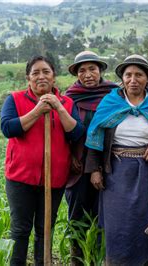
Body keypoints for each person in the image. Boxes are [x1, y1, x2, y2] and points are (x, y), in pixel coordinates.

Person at [84, 54, 148, 265]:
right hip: (115, 172)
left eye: (139, 75)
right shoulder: (111, 102)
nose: (133, 79)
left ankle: (147, 261)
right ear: (122, 78)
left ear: (147, 79)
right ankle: (117, 261)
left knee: (144, 219)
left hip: (146, 171)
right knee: (118, 222)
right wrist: (95, 170)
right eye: (128, 75)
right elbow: (95, 135)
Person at [0, 55, 84, 265]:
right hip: (20, 178)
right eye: (35, 72)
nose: (41, 76)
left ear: (54, 77)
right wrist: (37, 110)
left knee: (45, 230)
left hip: (54, 179)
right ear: (28, 78)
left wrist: (59, 107)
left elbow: (76, 134)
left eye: (46, 71)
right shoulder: (15, 99)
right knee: (20, 229)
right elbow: (8, 128)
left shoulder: (67, 102)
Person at [64, 51, 119, 264]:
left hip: (107, 164)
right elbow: (61, 131)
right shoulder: (69, 98)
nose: (88, 74)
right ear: (76, 74)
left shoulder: (114, 94)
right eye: (82, 70)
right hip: (78, 166)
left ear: (101, 71)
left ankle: (100, 257)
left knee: (103, 213)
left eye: (92, 69)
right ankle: (77, 258)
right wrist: (69, 156)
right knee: (77, 214)